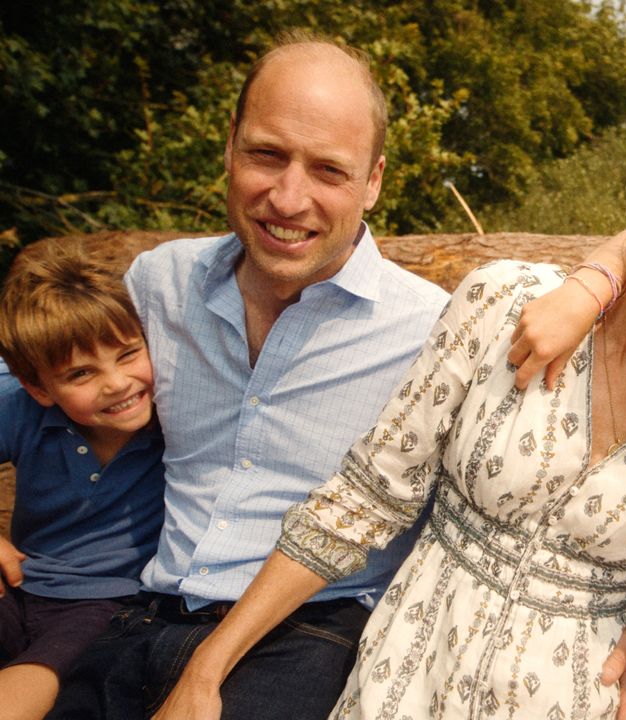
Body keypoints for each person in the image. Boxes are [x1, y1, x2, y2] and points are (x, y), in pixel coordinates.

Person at [150, 125, 626, 719]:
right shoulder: (507, 301)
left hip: (575, 697)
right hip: (405, 679)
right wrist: (207, 669)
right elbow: (364, 499)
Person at [46, 32, 450, 720]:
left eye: (328, 170)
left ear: (374, 181)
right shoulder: (159, 284)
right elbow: (27, 382)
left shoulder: (432, 332)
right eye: (267, 154)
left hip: (313, 636)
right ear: (230, 145)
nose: (288, 199)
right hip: (141, 619)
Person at [0, 241, 165, 720]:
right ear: (39, 387)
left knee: (46, 674)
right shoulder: (19, 405)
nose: (115, 383)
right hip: (21, 581)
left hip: (108, 599)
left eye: (129, 354)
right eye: (81, 373)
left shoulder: (176, 410)